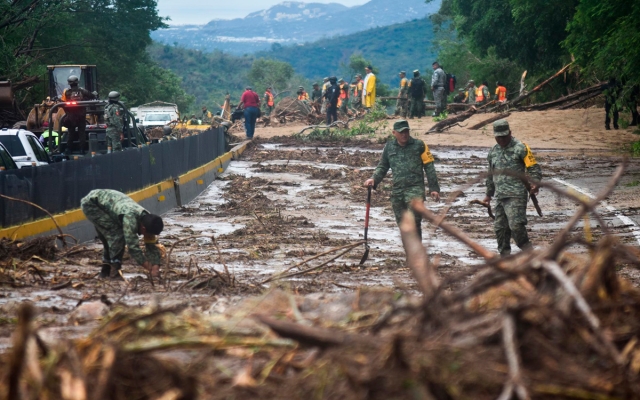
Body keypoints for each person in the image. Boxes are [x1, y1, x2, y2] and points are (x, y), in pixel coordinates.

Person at [364, 120, 440, 239]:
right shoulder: (389, 147)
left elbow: (429, 166)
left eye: (406, 131)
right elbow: (383, 166)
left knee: (414, 222)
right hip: (398, 192)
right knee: (403, 225)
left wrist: (434, 188)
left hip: (415, 190)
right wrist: (374, 179)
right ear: (394, 133)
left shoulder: (419, 145)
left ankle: (416, 254)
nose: (404, 134)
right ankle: (410, 252)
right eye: (401, 132)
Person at [482, 119, 542, 256]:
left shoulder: (520, 148)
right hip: (500, 196)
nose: (502, 139)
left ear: (510, 133)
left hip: (516, 195)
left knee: (516, 226)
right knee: (500, 229)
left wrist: (535, 183)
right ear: (495, 136)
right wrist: (488, 194)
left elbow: (534, 168)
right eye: (499, 137)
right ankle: (505, 258)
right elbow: (490, 174)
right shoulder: (493, 151)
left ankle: (529, 252)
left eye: (504, 136)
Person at [81, 189, 163, 279]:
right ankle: (114, 271)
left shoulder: (148, 220)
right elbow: (133, 247)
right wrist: (148, 266)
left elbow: (151, 245)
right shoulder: (130, 219)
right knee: (116, 235)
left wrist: (156, 266)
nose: (147, 236)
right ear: (143, 228)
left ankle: (105, 271)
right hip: (92, 204)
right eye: (148, 234)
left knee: (109, 237)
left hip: (107, 203)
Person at [61, 75, 95, 154]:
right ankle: (82, 150)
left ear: (69, 83)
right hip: (81, 115)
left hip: (71, 115)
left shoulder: (67, 92)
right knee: (81, 133)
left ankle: (69, 149)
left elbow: (62, 102)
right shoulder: (82, 91)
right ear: (77, 82)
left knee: (71, 133)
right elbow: (91, 96)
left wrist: (67, 112)